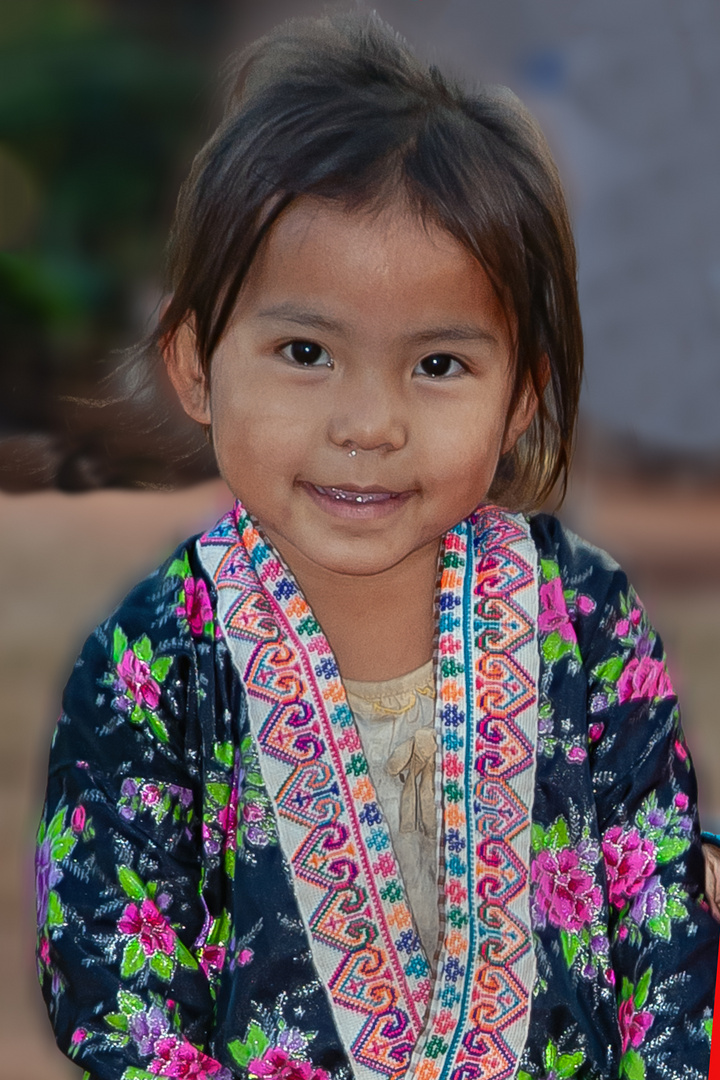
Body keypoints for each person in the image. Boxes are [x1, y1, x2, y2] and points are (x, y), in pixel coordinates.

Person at [36, 12, 719, 1080]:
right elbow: (114, 990)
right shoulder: (150, 662)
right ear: (194, 362)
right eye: (306, 351)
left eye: (439, 364)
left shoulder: (585, 616)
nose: (370, 425)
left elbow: (661, 923)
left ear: (521, 392)